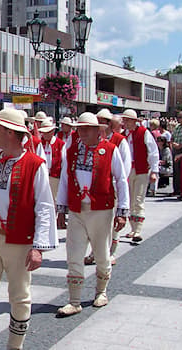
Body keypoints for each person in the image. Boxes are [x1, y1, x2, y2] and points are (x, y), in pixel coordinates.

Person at [0, 109, 58, 350]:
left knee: (19, 297)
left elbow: (45, 207)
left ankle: (14, 347)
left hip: (20, 242)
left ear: (9, 132)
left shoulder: (35, 165)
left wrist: (39, 247)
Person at [56, 112, 129, 317]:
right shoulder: (71, 151)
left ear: (98, 131)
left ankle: (101, 292)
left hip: (101, 210)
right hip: (78, 210)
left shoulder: (110, 150)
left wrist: (122, 211)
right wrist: (61, 209)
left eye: (87, 129)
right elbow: (64, 179)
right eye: (80, 129)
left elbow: (121, 180)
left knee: (101, 253)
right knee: (74, 254)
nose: (82, 132)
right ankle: (74, 300)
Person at [83, 109, 132, 266]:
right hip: (96, 190)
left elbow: (124, 167)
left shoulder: (119, 140)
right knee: (95, 224)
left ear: (110, 124)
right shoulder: (94, 141)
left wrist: (116, 184)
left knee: (112, 223)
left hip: (112, 188)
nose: (101, 123)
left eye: (104, 120)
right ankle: (94, 252)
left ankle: (111, 253)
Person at [120, 109, 159, 243]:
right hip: (127, 170)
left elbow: (153, 152)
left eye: (127, 120)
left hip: (141, 170)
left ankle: (138, 230)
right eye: (124, 120)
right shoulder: (123, 135)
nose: (125, 123)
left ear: (134, 121)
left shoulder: (144, 133)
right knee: (129, 199)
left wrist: (154, 171)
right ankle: (133, 228)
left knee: (138, 199)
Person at [38, 118, 65, 201]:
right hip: (42, 176)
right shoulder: (39, 143)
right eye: (44, 132)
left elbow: (63, 162)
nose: (45, 134)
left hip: (54, 177)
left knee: (53, 199)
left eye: (47, 132)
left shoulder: (60, 144)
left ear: (52, 132)